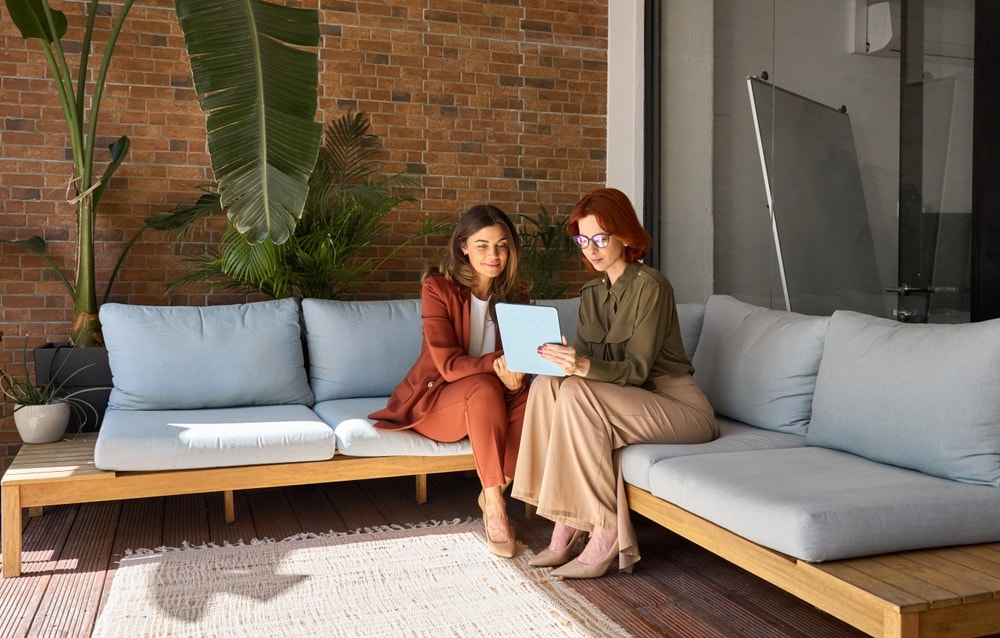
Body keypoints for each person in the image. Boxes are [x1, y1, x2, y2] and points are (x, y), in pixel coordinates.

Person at [511, 187, 718, 579]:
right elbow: (591, 372)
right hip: (628, 402)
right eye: (583, 240)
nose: (591, 249)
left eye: (601, 238)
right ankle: (566, 518)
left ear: (625, 234)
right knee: (547, 385)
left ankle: (605, 530)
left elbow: (636, 370)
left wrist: (583, 365)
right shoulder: (592, 293)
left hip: (679, 406)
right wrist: (567, 361)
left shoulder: (652, 287)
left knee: (574, 388)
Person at [369, 204, 531, 558]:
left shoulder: (517, 298)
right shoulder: (438, 288)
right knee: (485, 385)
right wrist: (500, 364)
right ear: (463, 246)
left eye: (502, 245)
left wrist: (518, 376)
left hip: (493, 398)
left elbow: (518, 364)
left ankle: (497, 485)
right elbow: (448, 365)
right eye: (483, 245)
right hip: (439, 402)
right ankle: (495, 505)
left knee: (537, 392)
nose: (494, 255)